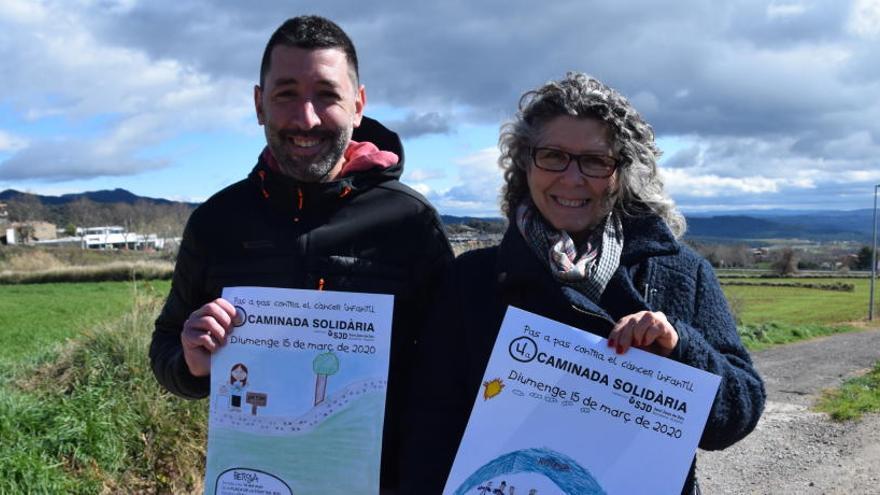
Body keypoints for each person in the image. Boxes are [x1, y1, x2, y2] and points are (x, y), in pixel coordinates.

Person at [400, 73, 765, 494]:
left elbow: (738, 415)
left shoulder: (681, 272)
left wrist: (679, 350)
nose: (572, 179)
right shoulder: (471, 279)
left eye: (595, 161)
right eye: (553, 155)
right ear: (525, 163)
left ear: (623, 172)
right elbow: (429, 429)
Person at [149, 15, 453, 492]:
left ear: (358, 104)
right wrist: (191, 361)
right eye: (286, 93)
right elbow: (166, 346)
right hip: (255, 477)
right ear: (258, 104)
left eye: (327, 94)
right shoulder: (216, 222)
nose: (306, 118)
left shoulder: (411, 222)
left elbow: (450, 366)